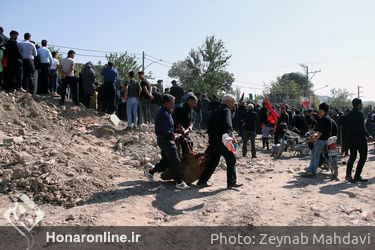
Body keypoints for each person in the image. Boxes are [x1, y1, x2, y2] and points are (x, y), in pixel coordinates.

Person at [144, 94, 190, 190]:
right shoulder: (164, 114)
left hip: (163, 139)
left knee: (166, 160)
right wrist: (174, 136)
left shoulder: (166, 112)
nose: (173, 105)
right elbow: (166, 131)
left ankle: (150, 172)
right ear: (165, 103)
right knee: (175, 160)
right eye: (171, 103)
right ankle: (179, 182)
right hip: (166, 140)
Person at [197, 94, 243, 189]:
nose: (233, 105)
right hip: (222, 140)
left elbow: (209, 128)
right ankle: (231, 182)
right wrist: (233, 138)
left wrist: (211, 141)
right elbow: (228, 124)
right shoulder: (226, 110)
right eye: (233, 103)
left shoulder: (216, 110)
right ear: (228, 102)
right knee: (231, 159)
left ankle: (202, 181)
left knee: (214, 161)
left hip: (214, 140)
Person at [344, 98, 373, 183]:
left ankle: (348, 175)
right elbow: (362, 127)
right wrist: (368, 135)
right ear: (359, 104)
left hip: (351, 139)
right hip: (360, 139)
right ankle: (357, 175)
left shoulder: (349, 114)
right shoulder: (360, 114)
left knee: (352, 157)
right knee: (363, 156)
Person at [302, 103, 332, 178]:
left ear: (322, 110)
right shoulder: (327, 118)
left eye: (320, 110)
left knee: (315, 156)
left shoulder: (324, 119)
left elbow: (320, 132)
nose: (319, 112)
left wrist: (315, 140)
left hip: (321, 140)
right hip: (324, 139)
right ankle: (310, 169)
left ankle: (312, 171)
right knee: (313, 155)